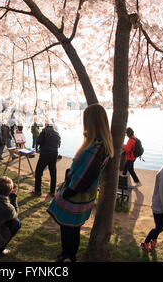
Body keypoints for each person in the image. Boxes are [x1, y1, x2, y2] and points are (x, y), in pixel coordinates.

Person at [48, 103, 113, 262]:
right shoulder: (103, 144)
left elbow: (85, 176)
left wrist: (68, 188)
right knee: (73, 229)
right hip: (86, 195)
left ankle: (67, 256)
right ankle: (69, 255)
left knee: (68, 229)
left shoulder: (95, 147)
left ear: (91, 122)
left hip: (76, 195)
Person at [32, 121, 61, 197]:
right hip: (54, 154)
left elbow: (38, 142)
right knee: (53, 173)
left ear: (47, 126)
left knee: (38, 172)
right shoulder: (56, 133)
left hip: (45, 154)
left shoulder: (44, 131)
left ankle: (38, 191)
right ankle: (52, 192)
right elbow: (59, 144)